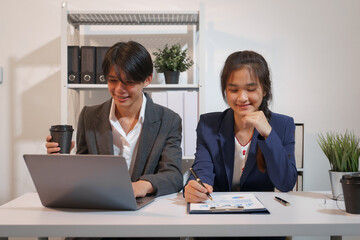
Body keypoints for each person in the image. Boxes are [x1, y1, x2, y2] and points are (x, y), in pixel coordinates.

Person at [46, 41, 183, 198]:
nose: (119, 89)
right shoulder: (88, 116)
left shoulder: (169, 120)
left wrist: (143, 186)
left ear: (147, 79)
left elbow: (174, 176)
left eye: (128, 82)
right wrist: (61, 161)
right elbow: (84, 173)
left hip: (147, 210)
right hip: (101, 207)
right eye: (112, 80)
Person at [184, 50, 297, 204]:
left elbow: (286, 183)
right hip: (219, 212)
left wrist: (268, 134)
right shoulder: (208, 124)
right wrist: (194, 187)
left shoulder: (282, 125)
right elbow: (202, 170)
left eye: (250, 89)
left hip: (262, 215)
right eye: (233, 90)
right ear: (225, 90)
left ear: (264, 90)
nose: (242, 98)